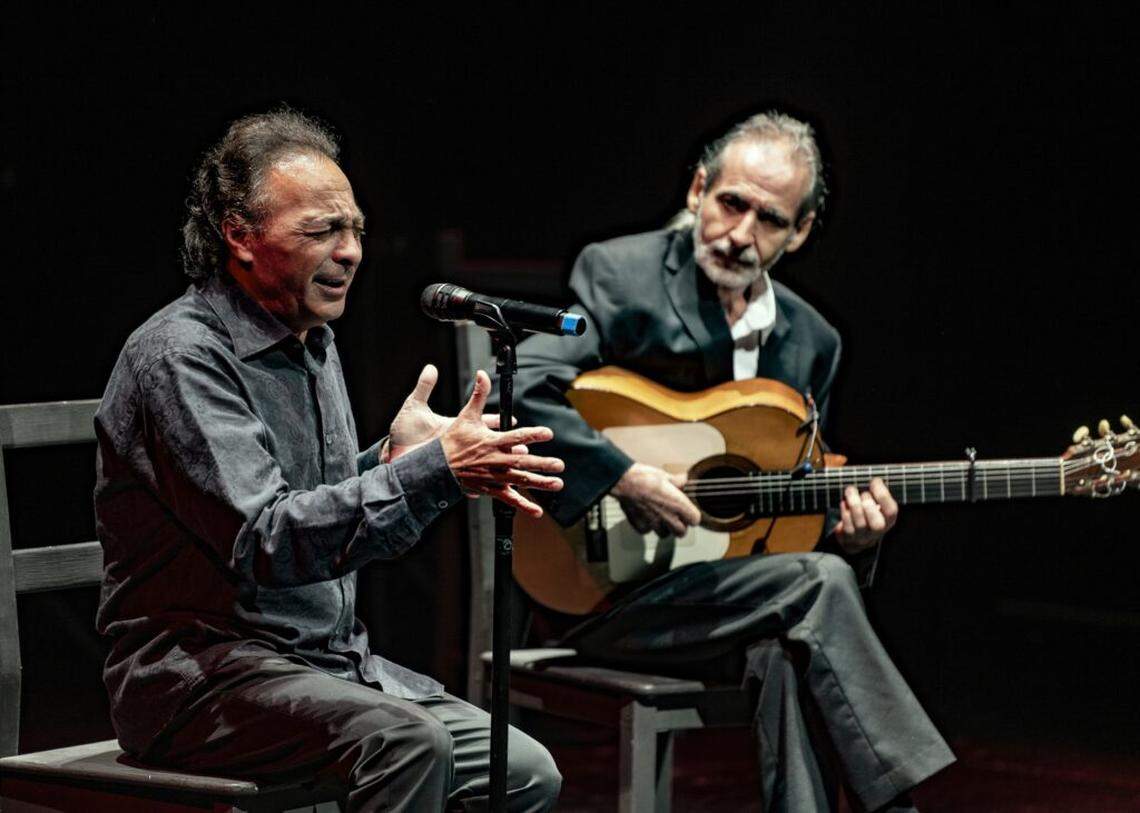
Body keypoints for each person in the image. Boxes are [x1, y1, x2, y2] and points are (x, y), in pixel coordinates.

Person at [94, 109, 563, 812]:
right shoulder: (182, 356)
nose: (349, 252)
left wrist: (398, 456)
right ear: (239, 236)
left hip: (323, 665)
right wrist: (431, 472)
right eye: (321, 231)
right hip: (202, 678)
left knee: (523, 770)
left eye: (355, 231)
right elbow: (266, 539)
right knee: (407, 744)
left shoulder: (311, 338)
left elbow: (316, 500)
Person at [510, 112, 955, 811]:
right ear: (697, 191)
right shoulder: (622, 274)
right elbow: (525, 386)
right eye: (731, 203)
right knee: (814, 593)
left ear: (801, 232)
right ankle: (903, 801)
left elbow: (793, 509)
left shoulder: (813, 341)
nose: (742, 233)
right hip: (610, 595)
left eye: (770, 219)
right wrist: (624, 475)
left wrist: (857, 537)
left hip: (741, 602)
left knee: (792, 645)